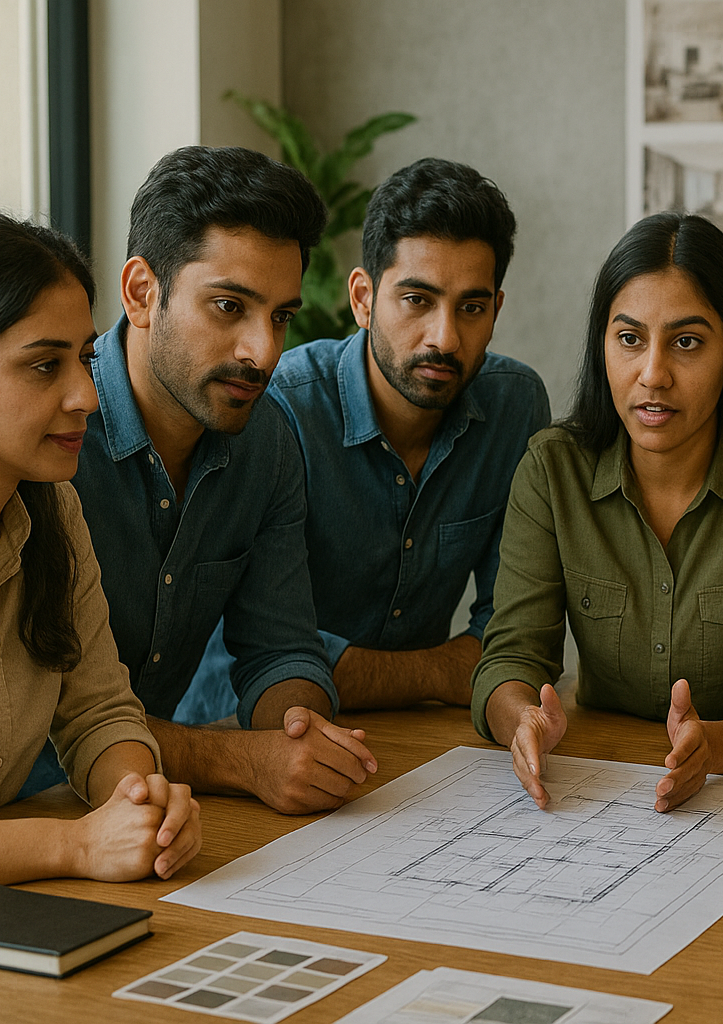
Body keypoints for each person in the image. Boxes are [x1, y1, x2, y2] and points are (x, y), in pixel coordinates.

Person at [39, 145, 378, 814]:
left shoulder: (266, 438)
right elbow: (44, 716)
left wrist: (299, 731)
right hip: (23, 814)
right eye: (228, 306)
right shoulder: (52, 436)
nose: (264, 352)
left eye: (280, 316)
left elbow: (280, 648)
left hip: (154, 812)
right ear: (142, 292)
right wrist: (241, 761)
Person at [471, 212, 723, 812]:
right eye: (629, 339)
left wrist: (716, 745)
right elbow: (511, 656)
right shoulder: (551, 469)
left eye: (686, 342)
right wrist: (522, 720)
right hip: (594, 782)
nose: (652, 374)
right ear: (602, 346)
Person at [188, 158, 548, 713]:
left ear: (496, 310)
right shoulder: (279, 409)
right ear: (363, 298)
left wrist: (451, 672)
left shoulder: (514, 407)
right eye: (417, 300)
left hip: (418, 738)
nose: (445, 338)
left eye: (472, 307)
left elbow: (513, 633)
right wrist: (444, 671)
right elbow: (259, 654)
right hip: (247, 733)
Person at [0, 213, 200, 890]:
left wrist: (141, 804)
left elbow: (99, 712)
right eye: (45, 365)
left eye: (85, 359)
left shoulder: (54, 511)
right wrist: (75, 845)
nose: (86, 397)